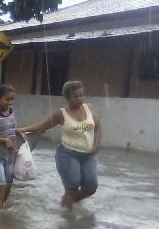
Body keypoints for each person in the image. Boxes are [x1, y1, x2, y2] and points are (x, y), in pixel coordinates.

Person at [18, 81, 102, 210]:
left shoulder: (89, 108)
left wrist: (96, 145)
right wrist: (24, 129)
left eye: (81, 95)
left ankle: (67, 205)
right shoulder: (61, 114)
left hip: (89, 155)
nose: (79, 99)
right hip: (68, 154)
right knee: (72, 188)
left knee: (91, 187)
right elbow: (43, 125)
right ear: (68, 97)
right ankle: (66, 219)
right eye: (75, 96)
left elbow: (98, 128)